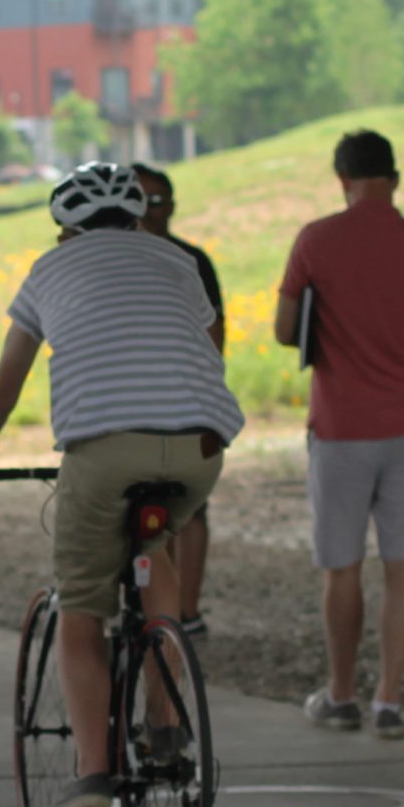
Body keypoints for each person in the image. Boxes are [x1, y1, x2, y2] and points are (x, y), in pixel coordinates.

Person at [0, 163, 243, 807]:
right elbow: (202, 348)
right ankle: (165, 725)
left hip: (106, 447)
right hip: (199, 445)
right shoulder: (178, 261)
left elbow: (7, 382)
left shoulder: (48, 271)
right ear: (138, 218)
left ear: (65, 231)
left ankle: (91, 773)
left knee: (82, 606)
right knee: (155, 547)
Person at [274, 129, 404, 740]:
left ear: (341, 179)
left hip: (342, 428)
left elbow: (282, 329)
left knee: (342, 566)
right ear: (395, 178)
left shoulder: (315, 241)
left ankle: (342, 693)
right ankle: (391, 700)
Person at [132, 163, 225, 640]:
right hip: (134, 408)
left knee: (191, 511)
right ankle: (143, 605)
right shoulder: (118, 264)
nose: (153, 212)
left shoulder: (192, 261)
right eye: (143, 201)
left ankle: (185, 611)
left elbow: (215, 336)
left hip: (184, 405)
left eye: (160, 201)